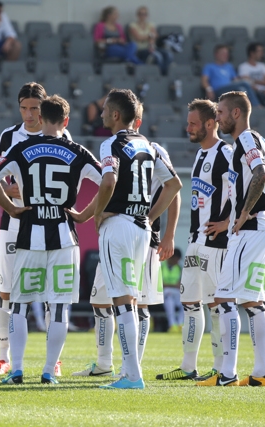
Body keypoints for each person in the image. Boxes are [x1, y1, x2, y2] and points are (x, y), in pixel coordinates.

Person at [0, 95, 102, 385]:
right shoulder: (77, 151)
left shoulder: (22, 148)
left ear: (41, 118)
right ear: (66, 121)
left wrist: (10, 208)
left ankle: (18, 369)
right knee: (59, 307)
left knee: (20, 305)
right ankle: (49, 370)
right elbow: (110, 181)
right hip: (64, 237)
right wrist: (86, 214)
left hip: (29, 237)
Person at [72, 102, 181, 378]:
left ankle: (132, 375)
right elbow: (174, 185)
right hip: (140, 227)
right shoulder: (149, 146)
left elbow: (108, 182)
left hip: (118, 226)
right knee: (126, 300)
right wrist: (148, 215)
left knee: (124, 301)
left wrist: (98, 216)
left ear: (117, 115)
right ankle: (118, 367)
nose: (101, 114)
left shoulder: (110, 144)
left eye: (106, 110)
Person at [197, 91, 265, 387]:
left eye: (221, 112)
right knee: (253, 301)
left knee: (224, 297)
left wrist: (245, 213)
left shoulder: (246, 140)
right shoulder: (261, 141)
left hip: (249, 232)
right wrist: (257, 211)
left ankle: (227, 373)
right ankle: (260, 373)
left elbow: (261, 176)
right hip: (263, 228)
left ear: (236, 113)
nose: (219, 117)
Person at [0, 83, 69, 377]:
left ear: (44, 108)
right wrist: (19, 194)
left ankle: (54, 360)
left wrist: (26, 190)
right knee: (7, 290)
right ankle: (3, 356)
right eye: (24, 107)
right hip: (15, 223)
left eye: (34, 108)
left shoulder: (62, 134)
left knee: (52, 293)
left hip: (50, 225)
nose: (29, 114)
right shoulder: (9, 136)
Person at [156, 99, 232, 382]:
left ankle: (220, 366)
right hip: (195, 240)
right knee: (190, 302)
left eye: (193, 123)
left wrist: (228, 222)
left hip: (216, 243)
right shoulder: (201, 154)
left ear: (210, 125)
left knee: (215, 306)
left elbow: (245, 189)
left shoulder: (226, 153)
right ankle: (188, 367)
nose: (187, 127)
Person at [127, 6, 172, 75]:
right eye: (141, 14)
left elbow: (155, 36)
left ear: (147, 15)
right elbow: (138, 37)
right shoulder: (133, 25)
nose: (143, 16)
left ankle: (164, 74)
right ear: (137, 15)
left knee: (168, 54)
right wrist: (149, 36)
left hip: (151, 47)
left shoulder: (150, 24)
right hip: (140, 49)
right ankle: (158, 74)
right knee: (158, 56)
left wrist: (150, 43)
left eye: (145, 14)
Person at [161, 249, 182, 332]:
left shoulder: (179, 267)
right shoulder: (162, 266)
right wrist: (173, 285)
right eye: (176, 259)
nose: (178, 261)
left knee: (185, 302)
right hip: (165, 293)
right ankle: (172, 324)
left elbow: (181, 284)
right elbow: (160, 284)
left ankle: (181, 324)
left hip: (176, 293)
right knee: (169, 297)